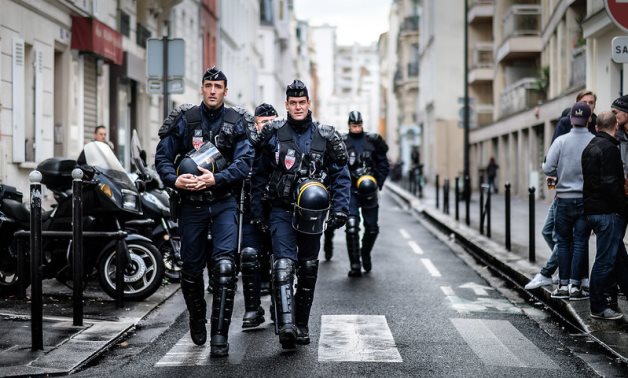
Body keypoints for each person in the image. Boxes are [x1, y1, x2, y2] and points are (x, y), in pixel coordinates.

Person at [154, 67, 255, 357]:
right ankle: (197, 319)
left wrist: (217, 178)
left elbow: (245, 162)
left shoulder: (237, 121)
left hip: (224, 202)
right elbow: (162, 156)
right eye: (208, 85)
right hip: (191, 205)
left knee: (224, 268)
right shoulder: (186, 119)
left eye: (218, 86)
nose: (213, 90)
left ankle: (220, 338)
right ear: (202, 88)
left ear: (226, 90)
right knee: (190, 270)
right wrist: (173, 179)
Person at [251, 80, 350, 349]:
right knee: (283, 266)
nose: (297, 107)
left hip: (312, 216)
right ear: (286, 105)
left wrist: (341, 209)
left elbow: (341, 174)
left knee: (307, 269)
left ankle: (302, 325)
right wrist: (258, 211)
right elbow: (258, 175)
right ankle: (286, 327)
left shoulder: (325, 136)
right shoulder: (272, 133)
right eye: (292, 103)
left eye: (301, 103)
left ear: (308, 104)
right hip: (280, 210)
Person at [525, 91, 597, 290]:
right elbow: (552, 162)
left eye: (591, 102)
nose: (589, 105)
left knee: (569, 240)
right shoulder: (566, 123)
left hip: (580, 196)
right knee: (555, 234)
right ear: (577, 105)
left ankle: (560, 277)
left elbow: (548, 164)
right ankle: (573, 277)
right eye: (585, 102)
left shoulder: (596, 126)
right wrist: (553, 189)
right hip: (563, 194)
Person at [323, 110, 390, 276]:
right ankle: (355, 264)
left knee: (372, 228)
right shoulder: (342, 142)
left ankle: (365, 253)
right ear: (349, 125)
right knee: (351, 226)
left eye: (359, 125)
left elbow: (383, 163)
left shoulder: (372, 141)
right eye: (354, 125)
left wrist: (378, 182)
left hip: (369, 189)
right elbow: (334, 165)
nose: (356, 128)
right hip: (350, 190)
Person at [542, 102, 594, 300]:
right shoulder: (593, 140)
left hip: (563, 199)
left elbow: (548, 169)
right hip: (584, 199)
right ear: (589, 119)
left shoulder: (561, 141)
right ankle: (575, 286)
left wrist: (559, 173)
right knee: (581, 242)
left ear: (571, 119)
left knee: (563, 242)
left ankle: (562, 286)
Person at [582, 111, 625, 320]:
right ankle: (597, 307)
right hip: (606, 212)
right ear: (615, 126)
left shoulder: (589, 147)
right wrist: (624, 208)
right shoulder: (610, 149)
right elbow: (611, 183)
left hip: (591, 210)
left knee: (617, 258)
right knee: (605, 261)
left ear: (597, 127)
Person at [239, 103, 278, 329]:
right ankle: (253, 309)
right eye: (264, 122)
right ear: (256, 124)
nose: (268, 126)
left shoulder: (282, 142)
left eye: (272, 121)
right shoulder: (246, 145)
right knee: (249, 256)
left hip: (276, 211)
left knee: (279, 261)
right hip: (251, 211)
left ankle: (277, 305)